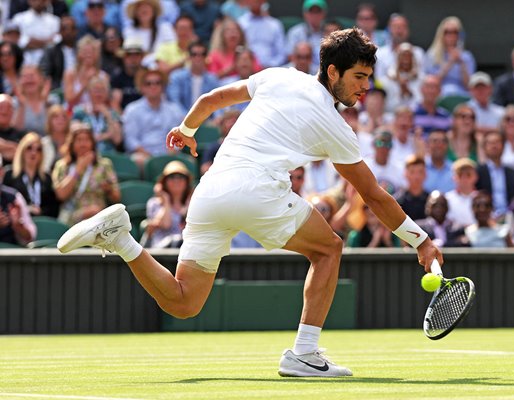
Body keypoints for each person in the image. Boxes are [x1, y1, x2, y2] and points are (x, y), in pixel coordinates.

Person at [57, 28, 442, 378]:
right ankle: (304, 354)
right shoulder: (335, 126)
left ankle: (121, 239)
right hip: (257, 190)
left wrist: (187, 130)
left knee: (183, 302)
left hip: (209, 191)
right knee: (328, 249)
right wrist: (420, 241)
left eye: (369, 79)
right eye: (359, 77)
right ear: (333, 73)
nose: (365, 88)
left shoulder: (279, 75)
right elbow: (373, 195)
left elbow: (212, 98)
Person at [52, 121, 120, 226]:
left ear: (92, 143)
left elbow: (117, 197)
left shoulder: (104, 165)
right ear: (72, 143)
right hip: (72, 215)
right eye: (79, 140)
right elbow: (61, 194)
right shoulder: (62, 166)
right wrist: (79, 169)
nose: (83, 144)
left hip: (99, 215)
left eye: (87, 140)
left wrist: (109, 189)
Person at [122, 67, 185, 166]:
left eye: (157, 83)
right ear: (142, 87)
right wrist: (149, 156)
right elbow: (131, 141)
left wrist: (169, 154)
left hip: (169, 155)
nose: (153, 86)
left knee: (187, 162)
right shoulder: (132, 110)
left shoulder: (174, 109)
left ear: (163, 87)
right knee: (137, 160)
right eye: (148, 83)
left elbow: (178, 137)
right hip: (142, 156)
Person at [2, 132, 59, 217]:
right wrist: (26, 209)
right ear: (22, 151)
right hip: (17, 222)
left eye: (38, 149)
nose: (33, 153)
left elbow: (53, 206)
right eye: (29, 148)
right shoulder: (9, 174)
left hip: (42, 222)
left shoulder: (46, 178)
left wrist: (41, 211)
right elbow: (4, 202)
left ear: (42, 155)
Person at [423, 16, 475, 97]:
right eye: (447, 32)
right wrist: (450, 62)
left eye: (455, 32)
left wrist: (462, 64)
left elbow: (469, 86)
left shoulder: (467, 57)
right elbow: (432, 83)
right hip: (439, 96)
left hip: (462, 96)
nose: (451, 35)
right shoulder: (432, 55)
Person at [143, 160, 191, 248]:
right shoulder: (154, 203)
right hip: (161, 251)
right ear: (164, 182)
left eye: (181, 177)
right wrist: (166, 200)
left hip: (186, 250)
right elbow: (166, 224)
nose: (176, 180)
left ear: (187, 181)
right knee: (177, 241)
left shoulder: (192, 204)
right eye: (172, 177)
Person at [475, 130, 514, 220]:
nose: (494, 146)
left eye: (497, 142)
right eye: (490, 143)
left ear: (503, 147)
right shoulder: (478, 172)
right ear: (484, 148)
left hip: (510, 218)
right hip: (485, 218)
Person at [71, 75, 122, 154]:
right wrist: (107, 135)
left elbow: (117, 139)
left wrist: (108, 116)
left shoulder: (112, 113)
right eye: (95, 90)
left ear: (107, 93)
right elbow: (74, 134)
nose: (98, 94)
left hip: (108, 154)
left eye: (102, 90)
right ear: (89, 92)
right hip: (86, 153)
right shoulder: (80, 111)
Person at [166, 41, 220, 112]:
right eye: (194, 54)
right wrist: (187, 118)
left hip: (205, 119)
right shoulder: (177, 77)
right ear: (189, 57)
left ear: (206, 57)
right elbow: (175, 102)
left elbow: (217, 103)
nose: (198, 57)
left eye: (202, 54)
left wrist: (218, 118)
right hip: (181, 120)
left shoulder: (212, 79)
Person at [63, 35, 109, 110]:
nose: (88, 54)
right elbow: (70, 101)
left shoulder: (103, 76)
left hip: (96, 112)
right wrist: (85, 84)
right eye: (85, 51)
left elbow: (106, 101)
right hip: (74, 113)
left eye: (91, 51)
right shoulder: (70, 74)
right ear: (79, 54)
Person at [374, 13, 424, 82]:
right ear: (389, 29)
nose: (399, 30)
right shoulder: (380, 53)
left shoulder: (418, 52)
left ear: (408, 30)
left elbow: (423, 79)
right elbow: (378, 79)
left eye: (403, 26)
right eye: (395, 26)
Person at [237, 0, 286, 69]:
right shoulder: (241, 23)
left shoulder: (275, 24)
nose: (255, 2)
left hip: (270, 70)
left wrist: (271, 65)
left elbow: (281, 54)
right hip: (247, 70)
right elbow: (238, 50)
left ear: (263, 1)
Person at [0, 154, 36, 246]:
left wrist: (18, 226)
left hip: (11, 257)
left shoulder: (14, 197)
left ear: (1, 172)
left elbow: (30, 237)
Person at [12, 0, 60, 65]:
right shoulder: (19, 19)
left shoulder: (54, 20)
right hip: (25, 60)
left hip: (49, 61)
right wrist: (47, 42)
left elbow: (57, 40)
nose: (38, 2)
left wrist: (33, 42)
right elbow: (19, 40)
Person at [39, 15, 78, 91]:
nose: (68, 32)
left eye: (71, 29)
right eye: (64, 29)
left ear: (76, 31)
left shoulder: (81, 50)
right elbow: (44, 73)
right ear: (59, 32)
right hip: (58, 89)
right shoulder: (51, 51)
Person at [286, 0, 327, 67]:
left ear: (324, 13)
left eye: (318, 12)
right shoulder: (295, 32)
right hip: (300, 71)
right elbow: (290, 55)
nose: (315, 15)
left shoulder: (329, 32)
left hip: (323, 72)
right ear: (305, 14)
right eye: (311, 12)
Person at [12, 65, 50, 136]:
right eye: (25, 77)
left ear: (41, 79)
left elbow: (54, 129)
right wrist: (22, 105)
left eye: (32, 76)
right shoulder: (13, 103)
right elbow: (15, 131)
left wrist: (46, 102)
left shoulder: (51, 101)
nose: (29, 80)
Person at [445, 157, 478, 227]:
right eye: (460, 175)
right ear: (454, 177)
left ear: (475, 177)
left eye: (468, 175)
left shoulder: (481, 198)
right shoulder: (447, 199)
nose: (464, 179)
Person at [395, 154, 429, 221]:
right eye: (412, 172)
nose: (416, 176)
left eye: (420, 172)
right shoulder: (397, 201)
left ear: (425, 174)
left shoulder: (431, 201)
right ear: (405, 174)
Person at [424, 129, 454, 194]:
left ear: (447, 146)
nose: (439, 145)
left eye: (443, 141)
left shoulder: (454, 169)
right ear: (428, 145)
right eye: (435, 141)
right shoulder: (421, 168)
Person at [41, 104, 70, 172]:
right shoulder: (43, 143)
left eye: (64, 117)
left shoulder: (73, 143)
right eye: (56, 117)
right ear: (49, 121)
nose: (60, 120)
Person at [0, 93, 26, 164]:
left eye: (8, 107)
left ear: (13, 111)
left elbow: (23, 156)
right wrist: (11, 147)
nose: (4, 111)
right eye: (1, 107)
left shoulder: (21, 136)